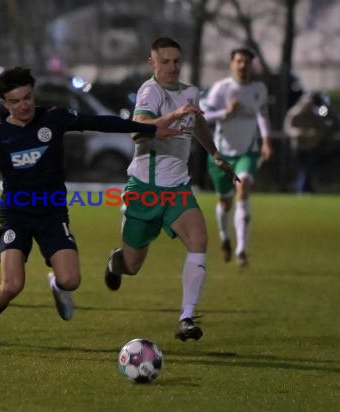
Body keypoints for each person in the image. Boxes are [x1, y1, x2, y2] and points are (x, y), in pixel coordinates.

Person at [0, 66, 179, 353]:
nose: (23, 105)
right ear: (5, 103)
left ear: (34, 93)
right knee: (12, 285)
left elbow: (100, 122)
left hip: (53, 215)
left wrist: (151, 128)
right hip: (15, 217)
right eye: (15, 101)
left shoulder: (53, 119)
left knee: (71, 280)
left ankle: (57, 284)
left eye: (27, 97)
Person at [104, 37, 237, 342]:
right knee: (133, 264)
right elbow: (137, 130)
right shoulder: (150, 91)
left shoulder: (190, 92)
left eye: (176, 61)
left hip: (177, 187)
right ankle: (116, 261)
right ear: (153, 63)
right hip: (145, 189)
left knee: (200, 239)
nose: (172, 67)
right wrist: (168, 119)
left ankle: (186, 317)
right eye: (165, 61)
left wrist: (214, 152)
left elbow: (197, 122)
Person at [202, 47, 273, 267]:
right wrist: (226, 113)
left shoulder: (259, 89)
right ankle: (225, 238)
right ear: (232, 64)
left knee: (244, 190)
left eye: (246, 62)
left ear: (252, 65)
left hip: (247, 152)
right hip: (222, 155)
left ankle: (242, 250)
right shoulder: (221, 89)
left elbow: (262, 115)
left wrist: (266, 140)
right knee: (225, 202)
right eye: (239, 61)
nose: (242, 65)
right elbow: (203, 116)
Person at [283, 94, 324, 194]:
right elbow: (288, 129)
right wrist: (298, 132)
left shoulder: (315, 114)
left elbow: (321, 129)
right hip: (298, 145)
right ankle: (301, 189)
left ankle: (305, 189)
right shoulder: (294, 113)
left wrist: (313, 134)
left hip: (311, 145)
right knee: (301, 169)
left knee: (308, 169)